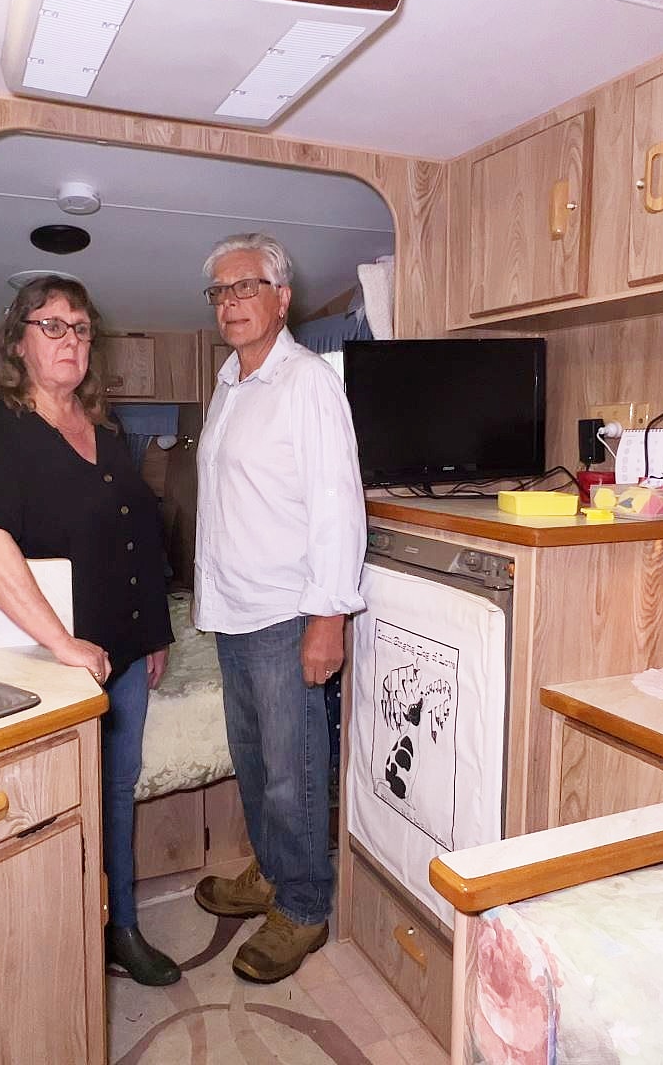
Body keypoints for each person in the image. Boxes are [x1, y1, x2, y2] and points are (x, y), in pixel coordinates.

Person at [0, 275, 181, 986]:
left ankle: (121, 929)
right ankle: (68, 938)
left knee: (117, 789)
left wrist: (158, 631)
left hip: (130, 650)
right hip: (67, 660)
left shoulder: (107, 433)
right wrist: (61, 644)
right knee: (69, 800)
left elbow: (138, 538)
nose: (69, 339)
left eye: (79, 327)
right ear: (18, 342)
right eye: (52, 326)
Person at [191, 233, 366, 983]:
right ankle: (270, 871)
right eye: (221, 292)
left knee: (295, 770)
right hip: (232, 609)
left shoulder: (309, 384)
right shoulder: (229, 381)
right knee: (256, 763)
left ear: (281, 298)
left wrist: (327, 618)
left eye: (246, 287)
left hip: (287, 610)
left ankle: (302, 905)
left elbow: (338, 505)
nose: (232, 302)